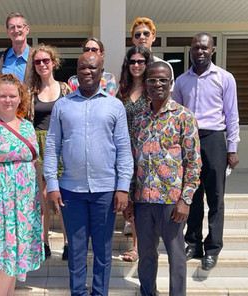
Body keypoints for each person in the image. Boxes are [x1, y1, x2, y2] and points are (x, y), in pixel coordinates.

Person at [44, 52, 133, 295]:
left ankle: (99, 292)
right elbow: (52, 147)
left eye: (92, 68)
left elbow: (124, 149)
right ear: (77, 71)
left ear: (101, 71)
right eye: (82, 67)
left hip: (105, 190)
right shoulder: (63, 105)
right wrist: (52, 184)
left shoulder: (115, 106)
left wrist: (123, 187)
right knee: (76, 248)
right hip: (71, 190)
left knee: (104, 250)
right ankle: (78, 292)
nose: (87, 71)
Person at [126, 61, 201, 296]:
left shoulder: (184, 117)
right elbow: (132, 161)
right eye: (152, 80)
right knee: (147, 254)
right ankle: (148, 292)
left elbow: (194, 163)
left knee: (176, 255)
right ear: (145, 84)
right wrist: (129, 198)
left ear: (171, 83)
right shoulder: (138, 120)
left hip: (171, 201)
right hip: (143, 200)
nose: (157, 84)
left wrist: (185, 200)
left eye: (162, 80)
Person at [0, 74, 45, 295]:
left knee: (16, 252)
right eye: (2, 96)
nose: (8, 100)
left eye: (12, 96)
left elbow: (35, 162)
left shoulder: (28, 127)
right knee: (4, 253)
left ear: (20, 98)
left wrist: (38, 198)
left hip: (24, 201)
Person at [174, 32, 240, 271]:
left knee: (215, 197)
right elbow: (176, 117)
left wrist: (232, 148)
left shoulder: (225, 78)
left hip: (214, 139)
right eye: (195, 47)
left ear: (212, 50)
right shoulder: (181, 81)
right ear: (190, 50)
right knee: (191, 194)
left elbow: (232, 115)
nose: (199, 51)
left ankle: (213, 247)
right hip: (188, 141)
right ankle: (192, 242)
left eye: (204, 48)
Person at [25, 44, 71, 260]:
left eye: (46, 60)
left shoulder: (65, 89)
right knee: (42, 196)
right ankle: (43, 242)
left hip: (62, 144)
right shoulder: (30, 92)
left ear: (53, 62)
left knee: (61, 195)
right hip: (38, 142)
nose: (42, 64)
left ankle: (68, 242)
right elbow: (26, 121)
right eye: (37, 61)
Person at [115, 45, 153, 263]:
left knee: (142, 200)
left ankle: (139, 246)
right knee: (128, 200)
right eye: (132, 62)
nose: (136, 65)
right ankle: (137, 243)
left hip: (147, 153)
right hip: (124, 153)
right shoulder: (122, 91)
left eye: (140, 61)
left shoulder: (153, 88)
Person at [0, 12, 33, 83]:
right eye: (12, 27)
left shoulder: (36, 57)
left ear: (27, 29)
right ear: (7, 31)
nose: (16, 30)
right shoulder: (0, 58)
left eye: (19, 26)